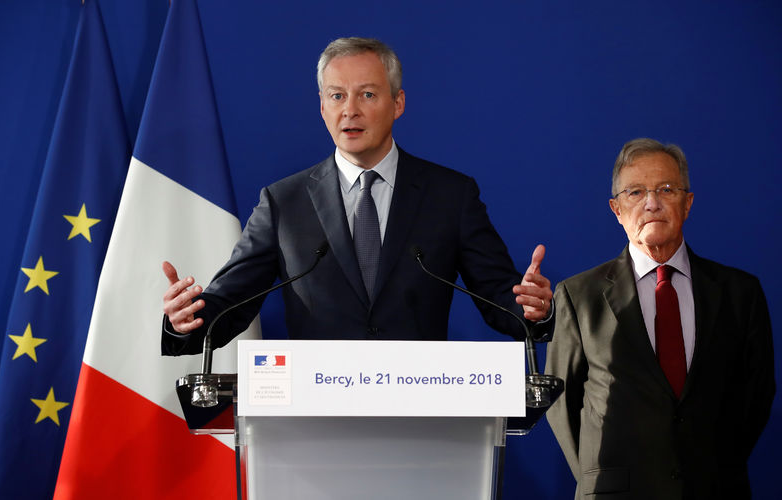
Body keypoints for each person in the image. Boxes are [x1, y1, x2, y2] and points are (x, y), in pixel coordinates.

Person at [160, 37, 554, 355]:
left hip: (423, 416)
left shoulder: (450, 195)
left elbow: (501, 300)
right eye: (336, 96)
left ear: (397, 103)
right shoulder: (284, 203)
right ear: (321, 106)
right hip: (316, 420)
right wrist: (187, 318)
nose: (350, 110)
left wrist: (532, 308)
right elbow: (230, 305)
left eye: (367, 95)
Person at [546, 138, 775, 499]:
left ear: (688, 203)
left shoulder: (739, 293)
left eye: (666, 189)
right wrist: (601, 476)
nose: (651, 203)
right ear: (617, 209)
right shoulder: (579, 296)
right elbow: (562, 406)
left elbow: (756, 397)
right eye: (635, 192)